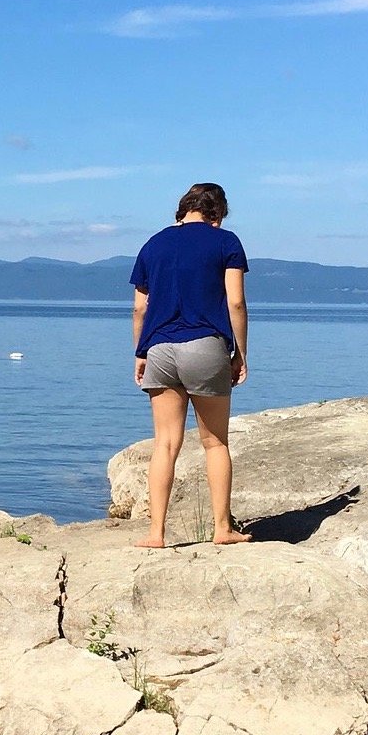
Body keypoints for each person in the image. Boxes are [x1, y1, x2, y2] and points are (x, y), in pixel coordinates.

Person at [130, 183, 250, 548]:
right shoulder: (225, 242)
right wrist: (240, 353)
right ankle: (221, 529)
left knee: (165, 444)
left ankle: (156, 534)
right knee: (214, 443)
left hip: (160, 348)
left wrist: (140, 351)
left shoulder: (153, 244)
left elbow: (140, 308)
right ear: (216, 215)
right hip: (205, 346)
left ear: (182, 211)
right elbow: (236, 304)